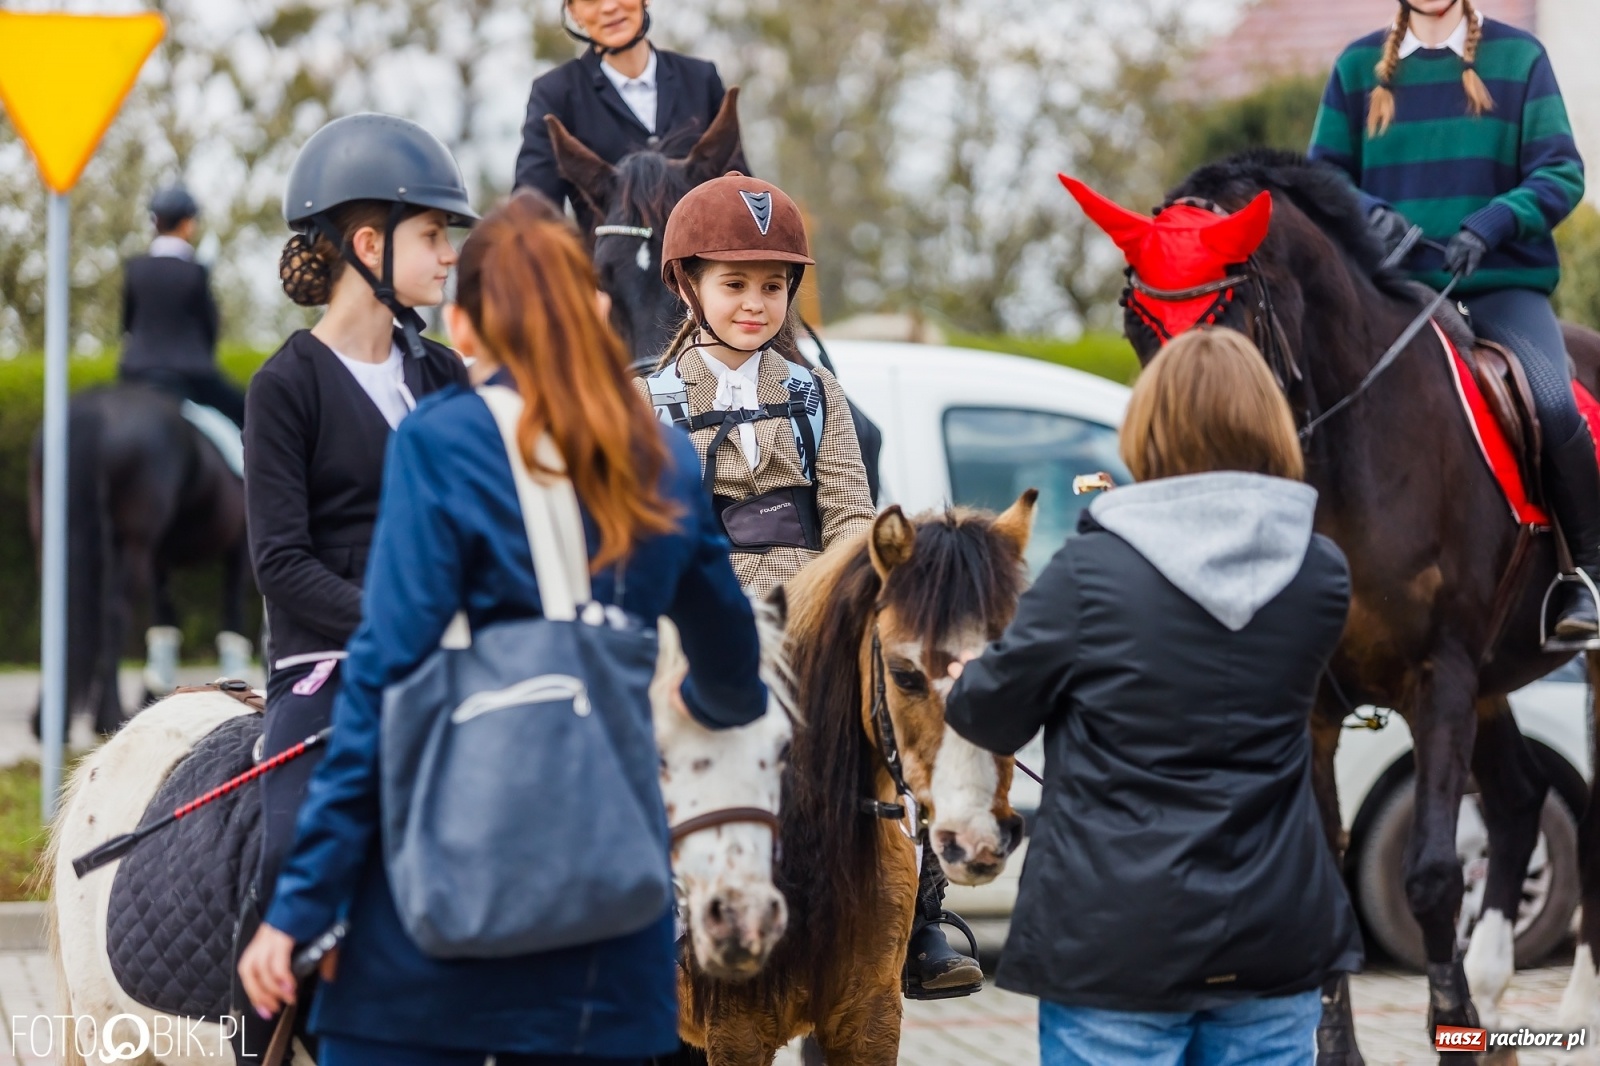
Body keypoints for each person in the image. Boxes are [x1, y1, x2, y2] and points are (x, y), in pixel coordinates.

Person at [237, 189, 768, 1065]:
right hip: (604, 957)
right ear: (590, 314)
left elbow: (383, 682)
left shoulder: (441, 443)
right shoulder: (661, 455)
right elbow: (734, 666)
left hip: (425, 952)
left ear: (468, 329)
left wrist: (300, 907)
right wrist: (705, 698)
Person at [945, 328, 1363, 1066]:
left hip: (1116, 944)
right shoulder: (1321, 572)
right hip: (1275, 932)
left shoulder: (1091, 571)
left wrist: (968, 678)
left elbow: (992, 713)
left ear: (1151, 428)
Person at [634, 173, 979, 1000]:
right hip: (701, 615)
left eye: (772, 286)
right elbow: (643, 528)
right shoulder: (648, 400)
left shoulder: (815, 393)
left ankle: (921, 917)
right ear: (688, 284)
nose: (755, 304)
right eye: (735, 285)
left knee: (903, 702)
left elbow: (853, 518)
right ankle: (656, 913)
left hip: (815, 606)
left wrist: (834, 606)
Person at [238, 112, 476, 1058]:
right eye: (435, 234)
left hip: (453, 654)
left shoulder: (444, 373)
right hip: (328, 665)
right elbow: (280, 564)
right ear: (370, 247)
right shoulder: (283, 386)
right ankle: (257, 1036)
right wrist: (397, 623)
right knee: (292, 844)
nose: (450, 255)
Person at [1308, 0, 1597, 640]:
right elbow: (1320, 175)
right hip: (1393, 293)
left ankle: (1588, 575)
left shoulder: (1520, 57)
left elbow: (1561, 171)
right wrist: (1371, 214)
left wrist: (1495, 222)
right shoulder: (1356, 67)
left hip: (1499, 289)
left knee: (1554, 405)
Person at [514, 0, 748, 232]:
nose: (609, 7)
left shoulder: (700, 78)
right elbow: (534, 208)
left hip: (695, 250)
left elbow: (739, 186)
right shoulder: (555, 93)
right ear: (573, 12)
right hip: (609, 254)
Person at [119, 186, 246, 428]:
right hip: (190, 373)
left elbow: (127, 323)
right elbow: (208, 327)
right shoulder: (195, 271)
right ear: (187, 224)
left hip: (136, 371)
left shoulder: (134, 268)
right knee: (246, 410)